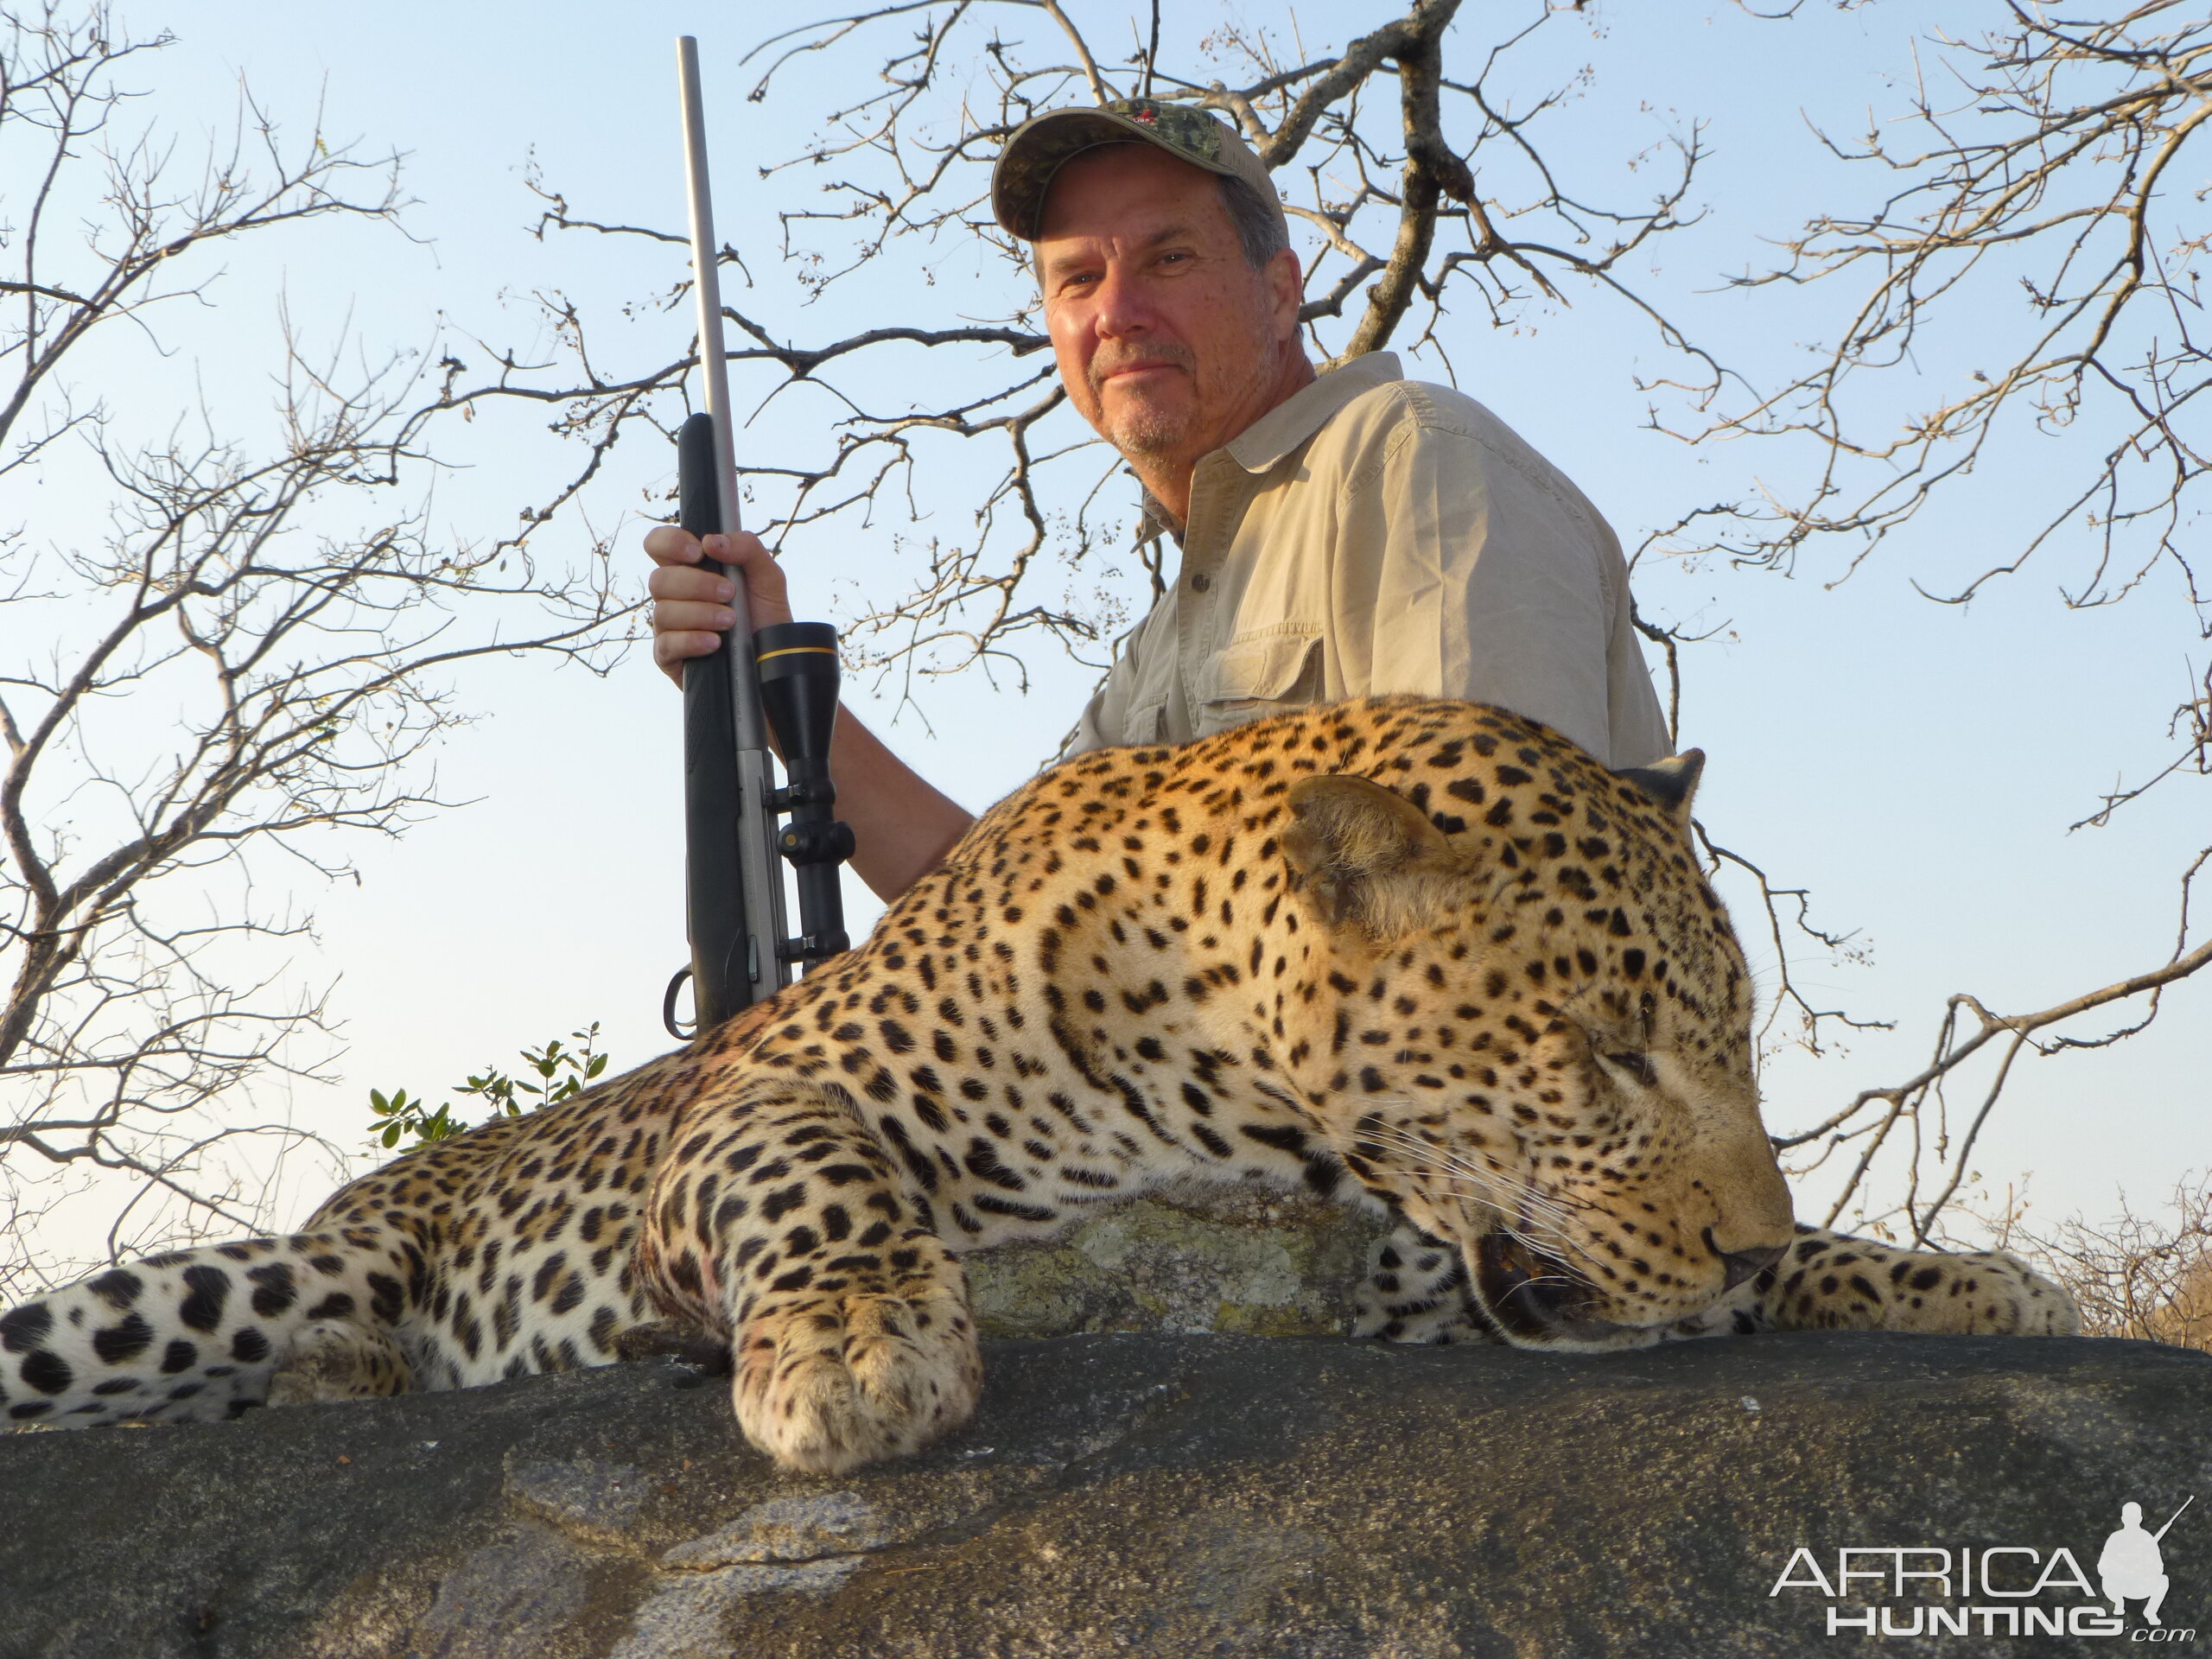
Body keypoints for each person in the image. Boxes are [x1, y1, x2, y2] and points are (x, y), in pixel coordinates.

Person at [645, 99, 1670, 903]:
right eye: (1077, 279)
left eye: (1169, 259)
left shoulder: (1409, 460)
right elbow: (998, 912)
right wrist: (776, 678)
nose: (1118, 314)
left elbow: (1494, 902)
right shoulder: (1170, 631)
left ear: (1278, 290)